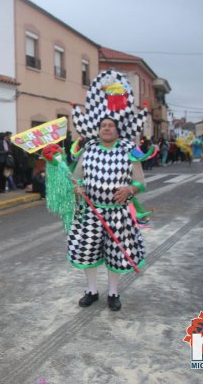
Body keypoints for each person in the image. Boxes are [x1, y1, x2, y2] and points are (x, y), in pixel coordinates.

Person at [66, 69, 147, 312]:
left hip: (118, 214)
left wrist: (130, 189)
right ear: (98, 128)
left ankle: (113, 293)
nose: (106, 128)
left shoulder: (129, 149)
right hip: (90, 212)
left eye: (110, 125)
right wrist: (77, 188)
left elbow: (141, 182)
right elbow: (75, 178)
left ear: (117, 129)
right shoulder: (88, 149)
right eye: (103, 125)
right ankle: (91, 290)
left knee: (116, 254)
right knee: (88, 251)